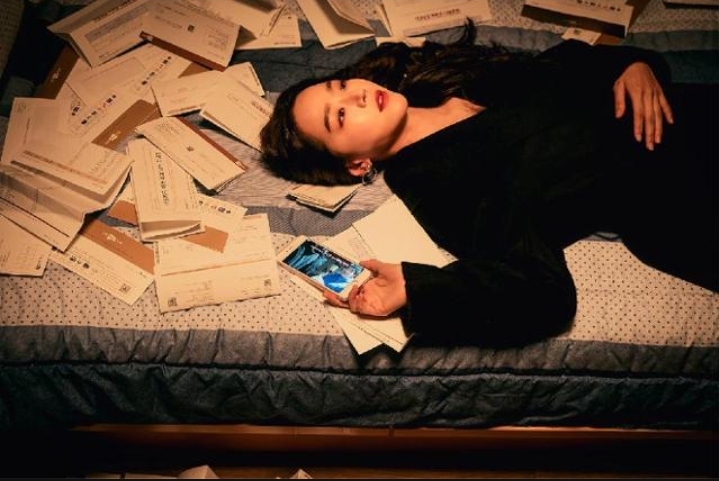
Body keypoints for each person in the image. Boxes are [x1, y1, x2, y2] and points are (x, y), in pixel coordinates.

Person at [259, 22, 718, 347]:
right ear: (357, 164)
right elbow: (541, 292)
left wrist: (630, 64)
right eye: (340, 116)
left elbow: (561, 63)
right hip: (680, 190)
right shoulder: (435, 187)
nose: (355, 93)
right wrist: (419, 290)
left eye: (341, 85)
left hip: (695, 111)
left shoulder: (435, 78)